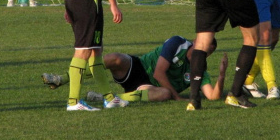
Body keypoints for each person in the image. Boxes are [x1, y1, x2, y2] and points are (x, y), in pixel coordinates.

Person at [42, 36, 228, 103]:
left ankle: (106, 99)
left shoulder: (199, 68)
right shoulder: (177, 42)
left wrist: (221, 75)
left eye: (207, 53)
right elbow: (158, 73)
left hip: (150, 89)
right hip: (140, 68)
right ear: (196, 41)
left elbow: (212, 96)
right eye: (202, 49)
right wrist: (178, 96)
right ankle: (63, 79)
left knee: (163, 94)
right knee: (114, 58)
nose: (203, 54)